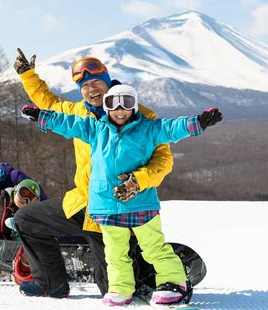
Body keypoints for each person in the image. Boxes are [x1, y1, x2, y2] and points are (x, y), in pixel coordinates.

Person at [21, 84, 223, 305]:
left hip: (139, 203)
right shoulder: (96, 129)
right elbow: (69, 124)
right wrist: (42, 117)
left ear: (134, 106)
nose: (119, 110)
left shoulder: (147, 129)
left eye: (126, 103)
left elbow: (173, 128)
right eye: (112, 103)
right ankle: (120, 287)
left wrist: (199, 122)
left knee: (153, 247)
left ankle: (175, 282)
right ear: (106, 107)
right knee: (115, 253)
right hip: (106, 204)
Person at [13, 49, 174, 298]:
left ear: (109, 82)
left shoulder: (141, 116)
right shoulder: (78, 113)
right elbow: (49, 103)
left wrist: (138, 181)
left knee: (113, 290)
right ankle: (50, 283)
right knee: (26, 219)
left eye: (97, 82)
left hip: (118, 208)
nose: (92, 89)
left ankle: (151, 268)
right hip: (83, 202)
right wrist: (27, 75)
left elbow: (163, 160)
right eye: (84, 85)